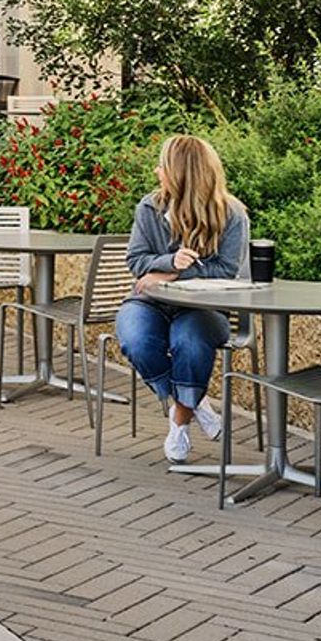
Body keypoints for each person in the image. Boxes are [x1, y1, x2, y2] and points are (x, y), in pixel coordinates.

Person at [115, 134, 251, 464]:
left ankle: (179, 421)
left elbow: (226, 271)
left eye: (162, 165)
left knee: (188, 340)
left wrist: (171, 274)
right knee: (135, 338)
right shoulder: (149, 207)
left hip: (205, 310)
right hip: (151, 303)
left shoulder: (232, 214)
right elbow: (136, 261)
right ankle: (192, 399)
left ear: (181, 172)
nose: (156, 171)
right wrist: (167, 263)